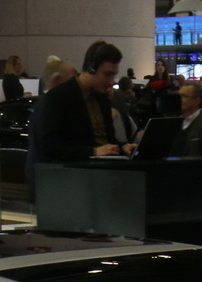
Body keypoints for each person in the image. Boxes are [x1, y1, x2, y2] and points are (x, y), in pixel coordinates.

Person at [29, 40, 134, 191]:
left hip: (103, 180)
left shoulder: (102, 98)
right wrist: (93, 152)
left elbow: (107, 139)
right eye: (107, 74)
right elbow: (49, 146)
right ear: (91, 68)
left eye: (114, 75)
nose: (111, 81)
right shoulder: (59, 96)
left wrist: (123, 147)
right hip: (74, 184)